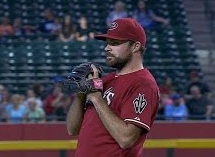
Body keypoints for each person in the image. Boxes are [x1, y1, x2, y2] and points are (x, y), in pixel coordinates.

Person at [66, 18, 159, 156]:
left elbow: (126, 139)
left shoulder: (143, 84)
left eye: (115, 43)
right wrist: (81, 94)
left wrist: (97, 98)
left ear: (136, 46)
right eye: (107, 43)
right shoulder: (104, 81)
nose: (107, 48)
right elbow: (72, 129)